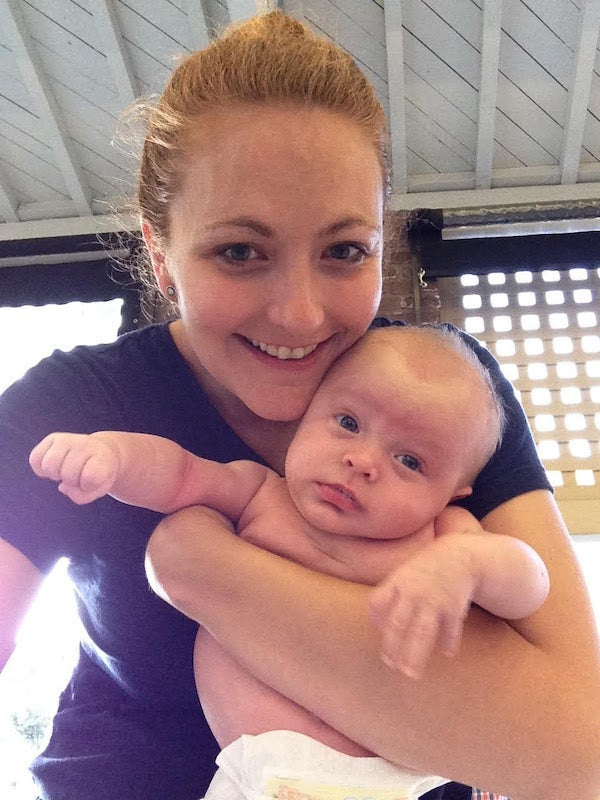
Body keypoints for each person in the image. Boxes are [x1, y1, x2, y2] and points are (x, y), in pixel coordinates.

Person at [0, 9, 598, 800]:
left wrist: (200, 568)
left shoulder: (446, 393)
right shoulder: (76, 403)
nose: (301, 316)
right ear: (161, 253)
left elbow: (578, 752)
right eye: (239, 252)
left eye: (345, 251)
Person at [30, 324, 551, 800]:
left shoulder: (442, 535)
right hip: (252, 778)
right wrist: (115, 459)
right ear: (306, 416)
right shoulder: (260, 494)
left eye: (409, 460)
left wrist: (466, 566)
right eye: (348, 422)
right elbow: (180, 474)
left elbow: (529, 581)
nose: (362, 461)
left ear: (455, 490)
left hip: (388, 781)